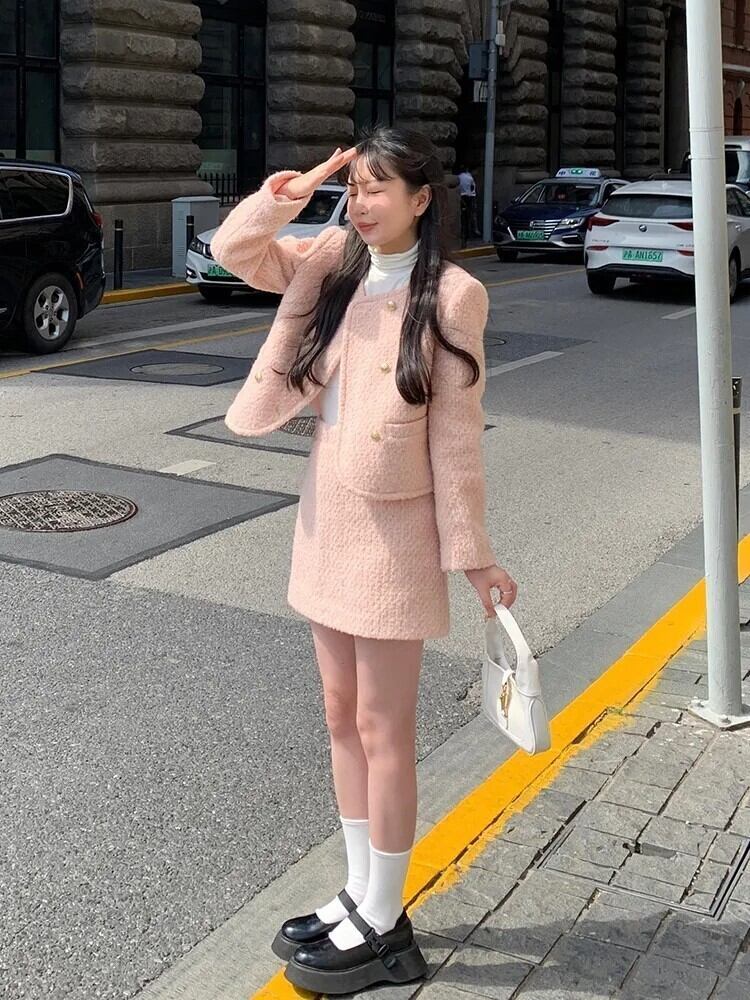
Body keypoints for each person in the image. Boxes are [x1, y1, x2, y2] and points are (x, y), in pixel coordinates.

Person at [210, 127, 517, 994]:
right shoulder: (331, 260)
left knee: (385, 729)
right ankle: (357, 892)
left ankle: (384, 918)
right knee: (340, 712)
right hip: (329, 518)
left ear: (422, 199)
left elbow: (456, 441)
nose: (363, 203)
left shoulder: (452, 295)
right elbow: (235, 252)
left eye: (380, 188)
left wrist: (476, 558)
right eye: (357, 188)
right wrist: (287, 196)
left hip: (394, 535)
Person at [457, 164, 479, 244]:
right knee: (470, 215)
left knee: (463, 217)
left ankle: (463, 234)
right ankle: (471, 232)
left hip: (461, 197)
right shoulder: (470, 178)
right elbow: (472, 189)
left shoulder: (458, 177)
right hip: (469, 197)